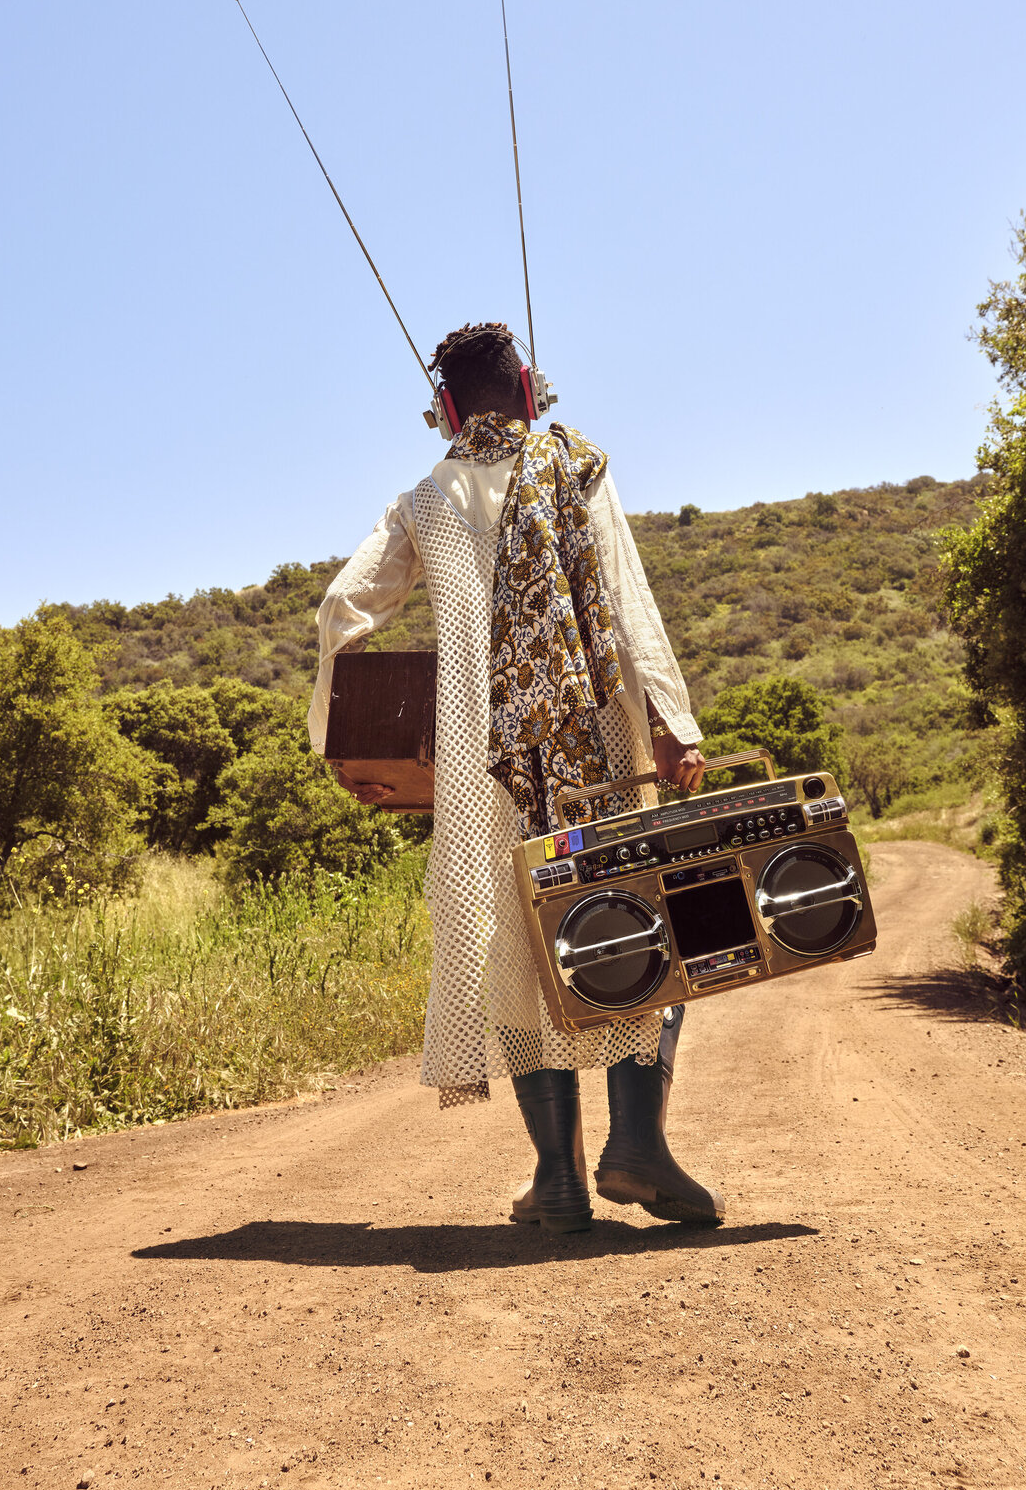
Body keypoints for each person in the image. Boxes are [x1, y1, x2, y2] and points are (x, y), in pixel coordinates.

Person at [308, 322, 723, 1232]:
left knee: (513, 945)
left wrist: (347, 731)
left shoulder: (426, 499)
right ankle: (638, 1147)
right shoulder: (575, 465)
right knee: (636, 923)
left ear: (446, 409)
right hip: (597, 750)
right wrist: (675, 725)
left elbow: (345, 606)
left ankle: (560, 1183)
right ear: (531, 392)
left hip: (484, 764)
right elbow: (627, 597)